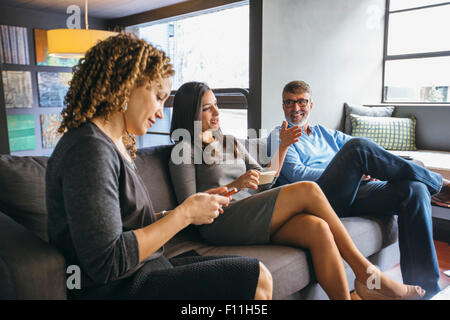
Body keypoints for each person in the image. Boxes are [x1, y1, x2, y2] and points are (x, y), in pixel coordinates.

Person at [45, 33, 273, 300]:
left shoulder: (112, 143)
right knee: (256, 277)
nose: (161, 112)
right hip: (118, 288)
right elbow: (107, 262)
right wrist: (184, 215)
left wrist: (190, 208)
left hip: (145, 269)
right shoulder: (89, 150)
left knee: (257, 273)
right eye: (157, 96)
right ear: (125, 85)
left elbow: (123, 226)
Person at [168, 81, 426, 300]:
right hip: (221, 221)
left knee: (318, 229)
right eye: (207, 107)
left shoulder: (229, 142)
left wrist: (282, 147)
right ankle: (367, 274)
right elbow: (188, 207)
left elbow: (266, 179)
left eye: (216, 104)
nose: (216, 111)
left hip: (252, 210)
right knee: (308, 190)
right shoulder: (183, 151)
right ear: (190, 112)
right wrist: (234, 186)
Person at [268, 80, 450, 299]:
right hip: (319, 199)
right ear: (283, 106)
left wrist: (364, 170)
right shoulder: (280, 136)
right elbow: (299, 174)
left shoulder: (325, 133)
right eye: (289, 102)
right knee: (357, 150)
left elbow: (365, 147)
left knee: (415, 190)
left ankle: (426, 290)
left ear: (311, 104)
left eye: (301, 102)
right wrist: (349, 170)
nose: (295, 108)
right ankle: (440, 185)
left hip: (353, 193)